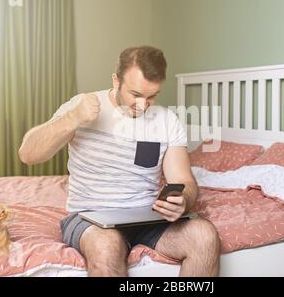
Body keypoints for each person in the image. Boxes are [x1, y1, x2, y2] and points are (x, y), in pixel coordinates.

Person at [18, 46, 220, 277]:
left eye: (152, 96)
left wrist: (183, 199)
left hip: (147, 218)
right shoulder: (82, 106)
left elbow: (184, 181)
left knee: (205, 235)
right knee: (106, 245)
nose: (143, 105)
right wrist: (73, 118)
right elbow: (28, 154)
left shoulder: (167, 120)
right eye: (135, 95)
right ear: (116, 81)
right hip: (89, 217)